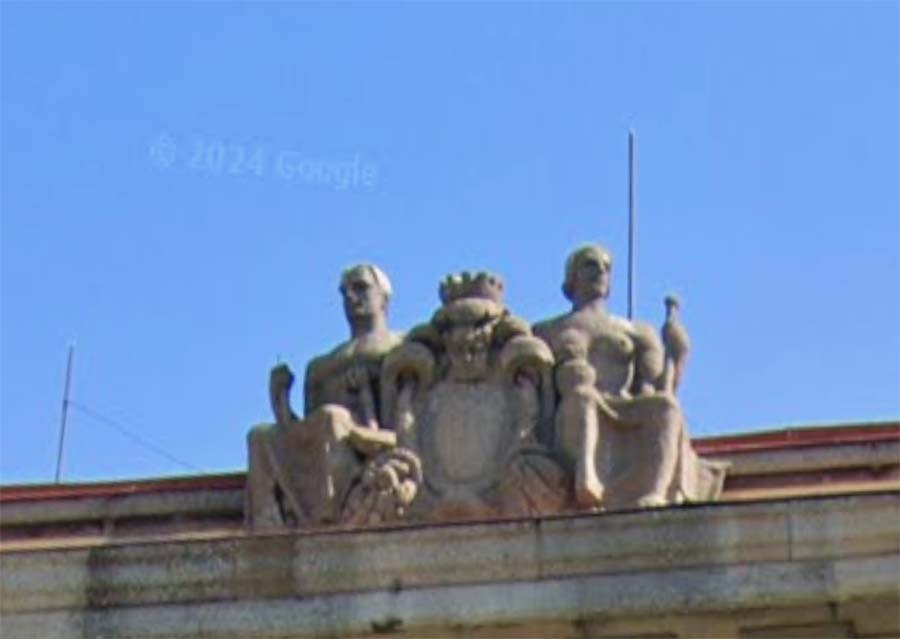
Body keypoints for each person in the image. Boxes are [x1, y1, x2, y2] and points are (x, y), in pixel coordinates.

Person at [535, 244, 723, 509]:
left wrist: (678, 356)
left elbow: (656, 389)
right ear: (572, 277)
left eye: (607, 267)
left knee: (666, 407)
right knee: (583, 398)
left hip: (622, 409)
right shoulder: (546, 331)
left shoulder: (636, 333)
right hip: (571, 413)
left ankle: (654, 493)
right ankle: (586, 482)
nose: (600, 271)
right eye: (590, 264)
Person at [246, 264, 402, 528]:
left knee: (332, 418)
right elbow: (304, 436)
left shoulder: (400, 346)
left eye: (361, 288)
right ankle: (268, 527)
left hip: (371, 443)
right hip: (328, 447)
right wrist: (281, 401)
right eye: (345, 292)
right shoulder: (321, 367)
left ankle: (327, 515)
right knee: (259, 436)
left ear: (384, 297)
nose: (351, 297)